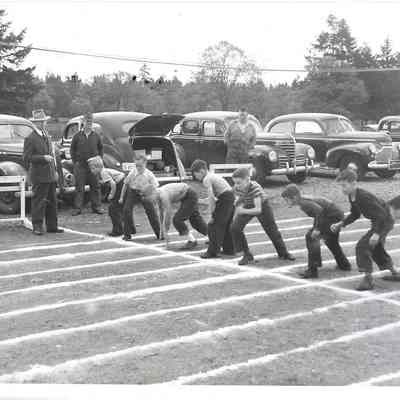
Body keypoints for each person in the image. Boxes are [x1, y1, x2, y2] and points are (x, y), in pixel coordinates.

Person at [331, 168, 399, 290]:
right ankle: (395, 272)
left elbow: (381, 214)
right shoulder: (352, 196)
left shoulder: (363, 196)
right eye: (341, 186)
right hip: (380, 220)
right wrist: (341, 223)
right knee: (375, 247)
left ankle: (368, 279)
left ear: (353, 183)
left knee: (363, 246)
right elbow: (355, 214)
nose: (342, 189)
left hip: (385, 220)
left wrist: (377, 233)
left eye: (344, 186)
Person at [281, 183, 351, 278]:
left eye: (286, 199)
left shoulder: (304, 203)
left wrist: (317, 229)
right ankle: (344, 264)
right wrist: (316, 227)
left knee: (311, 237)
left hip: (333, 217)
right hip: (335, 216)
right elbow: (319, 214)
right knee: (331, 241)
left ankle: (312, 269)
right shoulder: (303, 201)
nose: (286, 202)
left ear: (294, 197)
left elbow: (319, 211)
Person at [230, 168, 295, 265]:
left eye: (239, 183)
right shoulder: (236, 188)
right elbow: (238, 202)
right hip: (247, 204)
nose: (236, 186)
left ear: (247, 180)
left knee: (271, 230)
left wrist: (242, 210)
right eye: (235, 183)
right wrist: (235, 219)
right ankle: (247, 255)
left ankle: (283, 253)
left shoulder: (255, 188)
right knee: (235, 227)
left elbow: (257, 210)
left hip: (262, 206)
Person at [23, 110, 64, 235]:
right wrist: (42, 158)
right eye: (39, 122)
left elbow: (52, 154)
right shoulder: (30, 138)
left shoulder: (46, 135)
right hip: (39, 175)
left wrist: (55, 171)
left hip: (50, 174)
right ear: (35, 123)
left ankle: (52, 226)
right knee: (39, 201)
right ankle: (37, 226)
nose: (42, 123)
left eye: (43, 121)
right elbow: (27, 157)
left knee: (52, 201)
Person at [191, 159, 235, 258]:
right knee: (226, 225)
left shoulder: (207, 178)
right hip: (230, 197)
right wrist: (199, 201)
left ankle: (212, 252)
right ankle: (230, 249)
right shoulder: (212, 176)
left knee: (214, 225)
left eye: (196, 174)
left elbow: (211, 198)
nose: (196, 177)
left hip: (225, 199)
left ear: (202, 171)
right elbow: (212, 198)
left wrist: (211, 215)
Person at [155, 182, 208, 250]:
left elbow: (168, 213)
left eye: (150, 197)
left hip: (189, 195)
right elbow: (161, 213)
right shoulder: (158, 196)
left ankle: (192, 240)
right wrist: (162, 232)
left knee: (177, 220)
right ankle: (212, 237)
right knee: (195, 220)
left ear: (153, 193)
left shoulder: (163, 195)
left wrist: (166, 231)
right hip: (186, 196)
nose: (151, 199)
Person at [119, 154, 160, 241]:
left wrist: (152, 196)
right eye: (136, 165)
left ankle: (159, 233)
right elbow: (125, 184)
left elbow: (155, 187)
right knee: (126, 210)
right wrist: (121, 197)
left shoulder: (149, 174)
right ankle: (127, 234)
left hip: (145, 194)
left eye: (140, 166)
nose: (138, 168)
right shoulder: (133, 172)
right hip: (133, 192)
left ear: (145, 163)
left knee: (151, 212)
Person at [70, 111, 104, 216]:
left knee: (95, 186)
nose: (89, 123)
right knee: (79, 187)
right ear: (83, 122)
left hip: (93, 166)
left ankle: (97, 207)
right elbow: (72, 149)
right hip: (80, 165)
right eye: (87, 121)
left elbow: (101, 149)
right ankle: (78, 208)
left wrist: (99, 160)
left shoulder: (96, 136)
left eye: (90, 121)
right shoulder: (77, 136)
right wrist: (75, 162)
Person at [88, 157, 125, 237]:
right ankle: (127, 228)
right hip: (122, 182)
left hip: (120, 184)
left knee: (113, 209)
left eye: (93, 168)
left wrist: (111, 195)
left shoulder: (103, 172)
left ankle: (118, 230)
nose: (91, 171)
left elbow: (113, 184)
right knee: (119, 207)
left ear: (98, 167)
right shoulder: (103, 172)